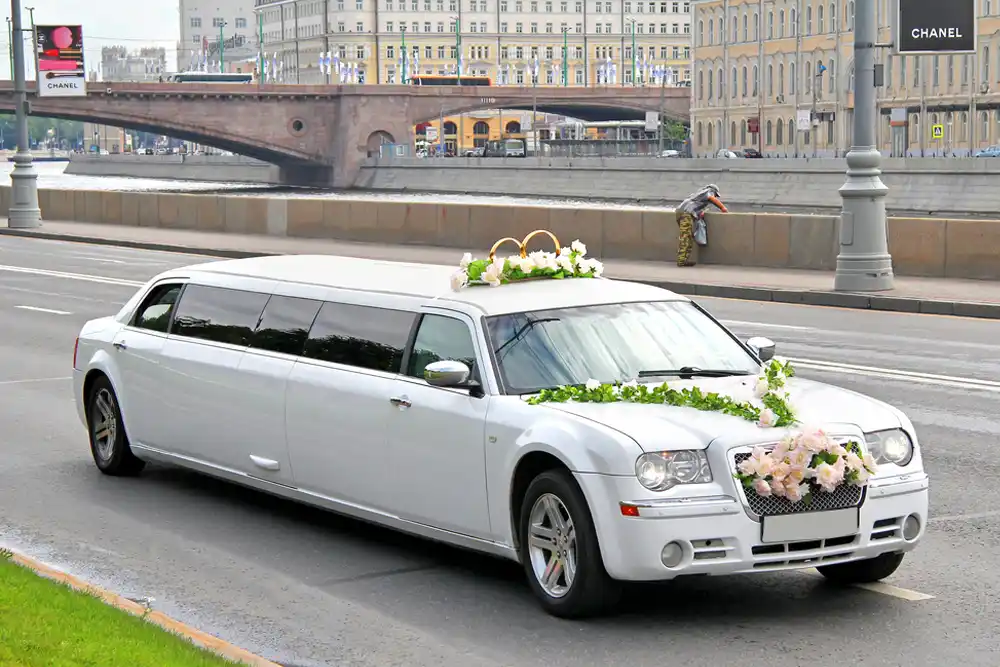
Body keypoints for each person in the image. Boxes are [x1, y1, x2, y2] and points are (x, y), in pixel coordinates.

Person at [675, 184, 728, 267]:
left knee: (687, 237)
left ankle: (683, 260)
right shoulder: (708, 191)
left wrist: (699, 212)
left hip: (681, 212)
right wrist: (722, 208)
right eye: (716, 195)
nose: (716, 197)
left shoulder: (698, 193)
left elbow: (695, 204)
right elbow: (711, 198)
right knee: (686, 238)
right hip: (687, 213)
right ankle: (681, 261)